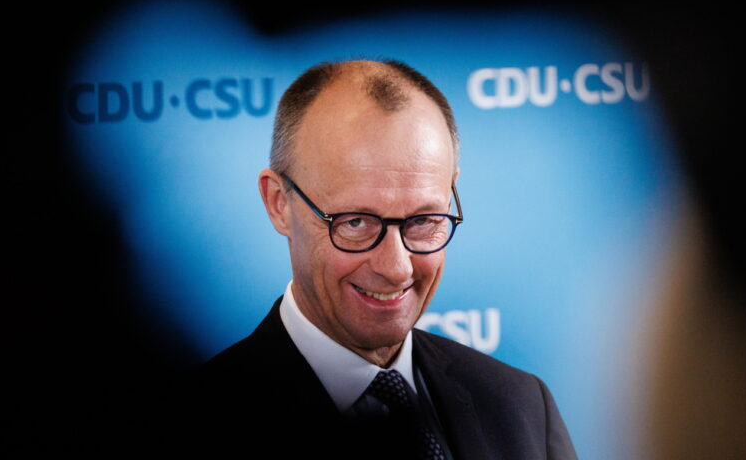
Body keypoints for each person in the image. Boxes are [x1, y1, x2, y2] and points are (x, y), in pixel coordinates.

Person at [188, 60, 578, 459]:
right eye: (355, 222)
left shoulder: (523, 406)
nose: (397, 268)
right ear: (278, 203)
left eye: (424, 220)